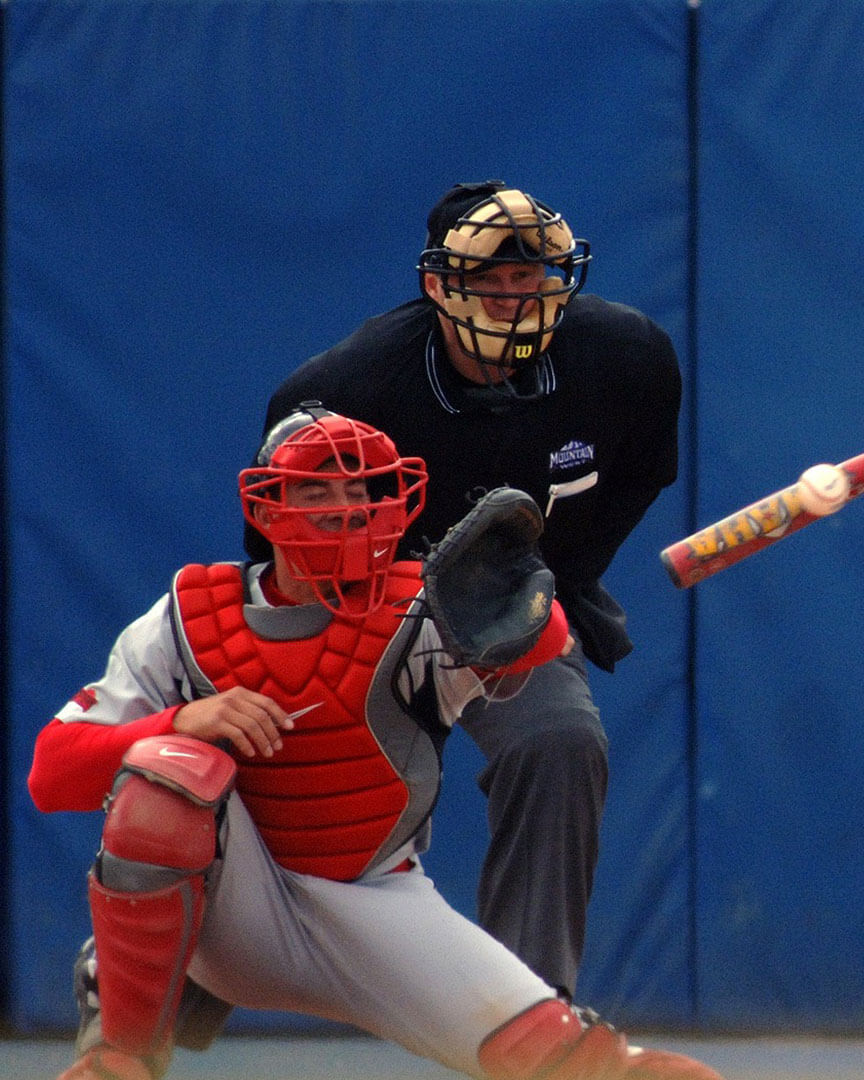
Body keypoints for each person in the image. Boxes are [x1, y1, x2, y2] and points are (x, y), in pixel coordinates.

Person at [27, 407, 719, 1080]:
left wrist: (522, 601)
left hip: (375, 898)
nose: (345, 506)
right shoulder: (188, 616)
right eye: (317, 490)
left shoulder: (425, 605)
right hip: (235, 904)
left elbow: (541, 645)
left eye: (360, 490)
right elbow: (51, 775)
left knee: (584, 1067)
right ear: (267, 511)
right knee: (165, 779)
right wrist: (176, 722)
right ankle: (121, 1053)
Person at [251, 181, 684, 1002]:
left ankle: (528, 1014)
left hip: (508, 607)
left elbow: (638, 477)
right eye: (492, 282)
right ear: (438, 286)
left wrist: (554, 579)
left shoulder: (629, 361)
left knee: (560, 742)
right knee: (265, 778)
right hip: (362, 612)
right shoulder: (348, 389)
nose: (516, 300)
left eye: (533, 280)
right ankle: (157, 987)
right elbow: (278, 544)